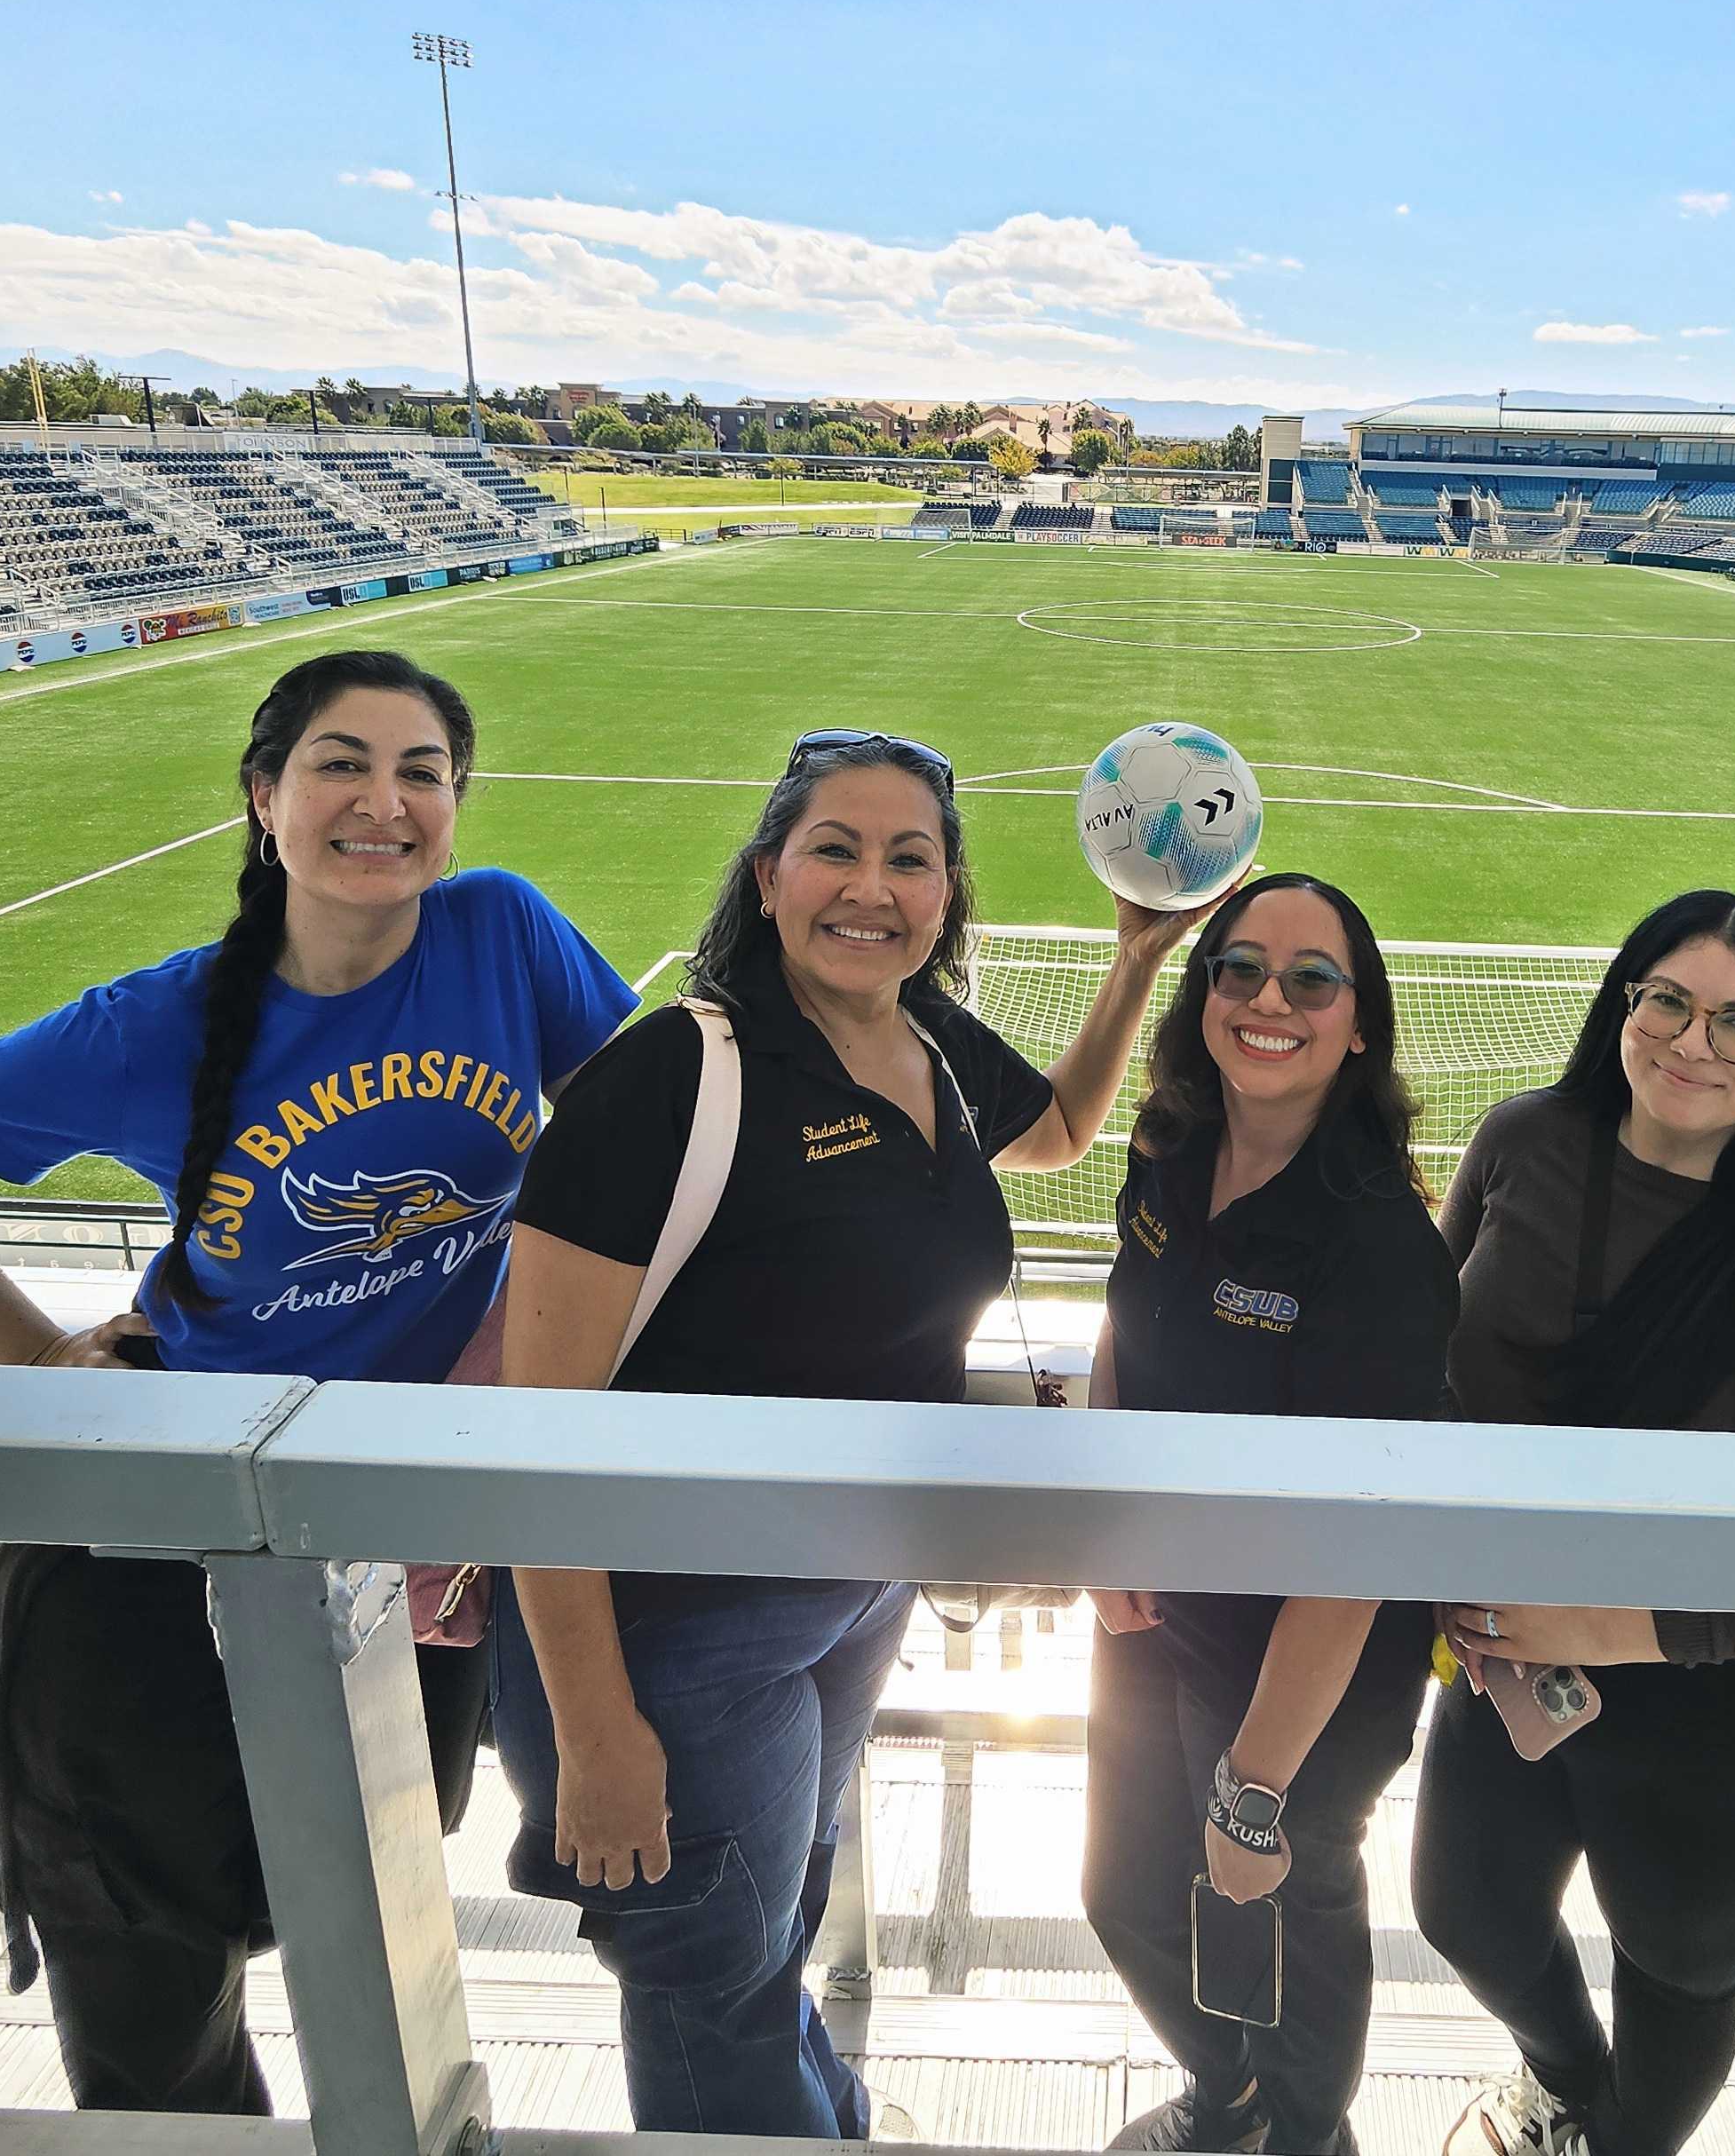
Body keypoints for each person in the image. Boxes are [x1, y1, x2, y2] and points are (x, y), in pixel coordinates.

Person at [0, 646, 637, 2113]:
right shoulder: (157, 1025)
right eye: (340, 763)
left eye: (422, 772)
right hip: (153, 1562)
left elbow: (643, 1157)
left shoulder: (504, 937)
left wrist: (504, 1369)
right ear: (264, 797)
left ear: (457, 806)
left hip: (403, 1549)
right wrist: (38, 1358)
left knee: (364, 1918)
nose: (384, 800)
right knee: (151, 1989)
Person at [489, 729, 1218, 2141]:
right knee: (710, 1978)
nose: (870, 887)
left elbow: (1059, 1130)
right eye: (835, 848)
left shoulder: (927, 1038)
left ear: (947, 897)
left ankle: (838, 2122)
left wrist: (1137, 956)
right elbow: (540, 1437)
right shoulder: (666, 1083)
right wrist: (593, 1727)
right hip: (672, 1638)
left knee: (776, 1929)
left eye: (911, 859)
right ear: (767, 877)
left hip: (854, 1594)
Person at [1411, 890, 1735, 2156]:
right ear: (1623, 1001)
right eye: (1671, 1001)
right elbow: (1426, 1365)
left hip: (1728, 1696)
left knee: (1674, 1964)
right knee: (1465, 1911)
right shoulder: (1524, 1140)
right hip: (1510, 1653)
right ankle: (1572, 2096)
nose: (1697, 1043)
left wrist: (1614, 1625)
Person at [1077, 872, 1459, 2156]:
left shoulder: (1380, 1247)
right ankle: (1225, 2095)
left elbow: (1352, 1546)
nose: (1269, 999)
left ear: (1361, 1023)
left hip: (1306, 1662)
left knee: (1278, 1917)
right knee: (1126, 1896)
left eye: (1312, 978)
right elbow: (1125, 1330)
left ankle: (1305, 2134)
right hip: (1161, 1611)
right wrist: (1109, 1515)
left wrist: (1256, 1790)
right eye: (1238, 969)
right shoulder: (1169, 1147)